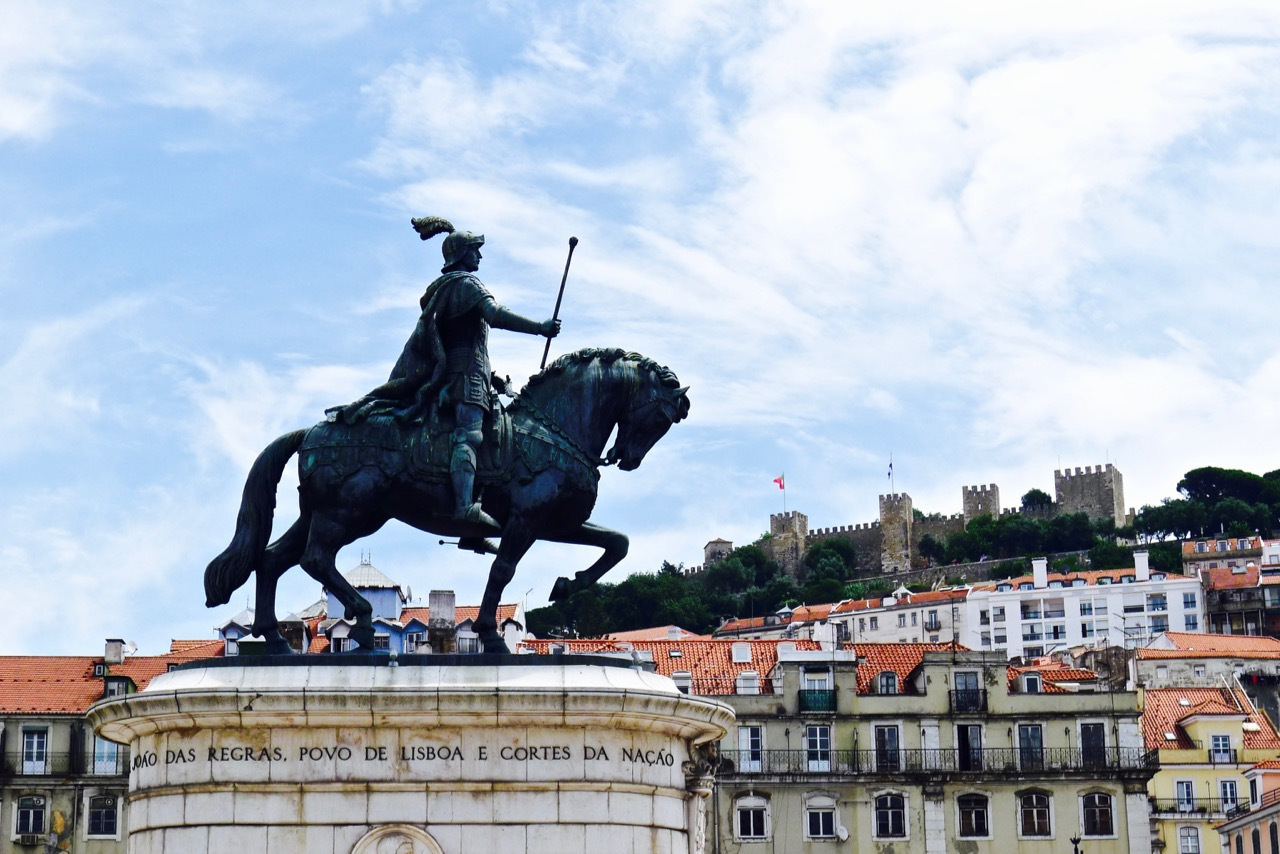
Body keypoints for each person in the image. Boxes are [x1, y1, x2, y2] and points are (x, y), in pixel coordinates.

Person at [334, 217, 559, 530]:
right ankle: (465, 506)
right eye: (475, 250)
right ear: (461, 253)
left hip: (471, 374)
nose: (479, 256)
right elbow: (495, 315)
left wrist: (493, 380)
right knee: (469, 435)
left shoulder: (447, 288)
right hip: (464, 379)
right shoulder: (466, 285)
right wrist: (539, 328)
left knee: (495, 440)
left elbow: (462, 340)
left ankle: (477, 512)